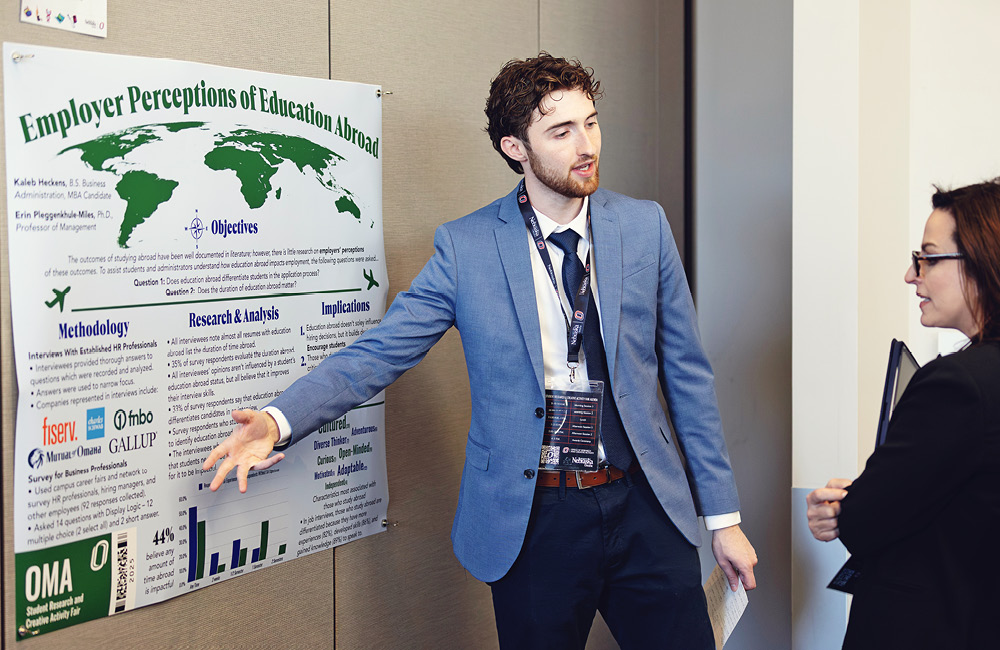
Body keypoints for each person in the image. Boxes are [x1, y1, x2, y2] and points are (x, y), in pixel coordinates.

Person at [204, 53, 757, 649]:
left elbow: (687, 376)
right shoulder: (466, 248)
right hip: (533, 518)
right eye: (561, 132)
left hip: (645, 505)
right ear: (515, 147)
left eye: (590, 123)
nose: (586, 145)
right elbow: (380, 353)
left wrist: (723, 519)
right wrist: (278, 420)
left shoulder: (643, 226)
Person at [806, 179, 1000, 649]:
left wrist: (842, 507)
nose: (911, 275)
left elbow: (864, 521)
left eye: (929, 258)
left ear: (979, 261)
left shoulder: (957, 385)